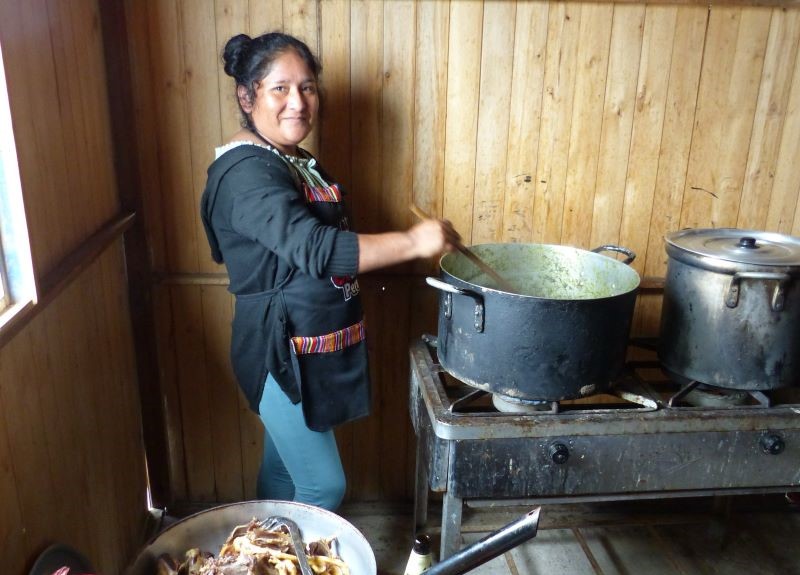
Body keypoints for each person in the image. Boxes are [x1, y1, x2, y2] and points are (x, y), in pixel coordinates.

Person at [200, 32, 459, 511]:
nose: (298, 102)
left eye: (308, 87)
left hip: (308, 344)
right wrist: (413, 242)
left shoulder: (294, 159)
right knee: (323, 486)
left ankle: (264, 553)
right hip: (279, 352)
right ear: (246, 95)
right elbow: (315, 248)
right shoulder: (246, 173)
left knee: (282, 470)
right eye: (280, 88)